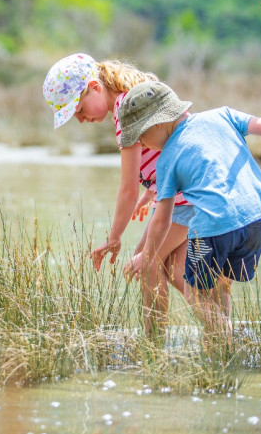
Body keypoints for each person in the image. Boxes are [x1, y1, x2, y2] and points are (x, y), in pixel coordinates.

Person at [118, 81, 261, 337]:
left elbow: (161, 221)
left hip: (213, 228)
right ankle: (220, 348)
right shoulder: (222, 115)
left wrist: (146, 256)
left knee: (195, 294)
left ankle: (228, 340)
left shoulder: (166, 160)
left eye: (141, 135)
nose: (142, 143)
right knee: (218, 289)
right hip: (255, 219)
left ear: (159, 123)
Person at [42, 53, 194, 316]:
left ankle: (154, 346)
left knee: (146, 263)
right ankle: (225, 333)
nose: (79, 119)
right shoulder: (135, 94)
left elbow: (126, 190)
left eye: (78, 109)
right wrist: (151, 191)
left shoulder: (127, 111)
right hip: (188, 191)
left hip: (185, 197)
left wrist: (114, 238)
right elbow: (167, 148)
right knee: (175, 270)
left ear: (95, 88)